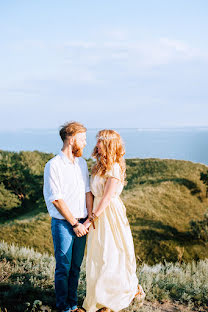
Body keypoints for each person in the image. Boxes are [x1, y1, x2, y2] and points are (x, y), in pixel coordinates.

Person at [82, 129, 145, 312]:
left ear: (109, 144)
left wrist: (90, 219)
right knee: (98, 256)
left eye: (101, 141)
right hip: (97, 214)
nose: (97, 144)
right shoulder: (97, 166)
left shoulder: (115, 167)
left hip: (109, 215)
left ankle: (114, 298)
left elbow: (106, 198)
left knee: (112, 255)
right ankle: (100, 298)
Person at [43, 121, 93, 312]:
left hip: (83, 223)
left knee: (76, 268)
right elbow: (57, 200)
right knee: (63, 267)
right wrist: (74, 223)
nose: (85, 143)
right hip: (64, 224)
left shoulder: (81, 163)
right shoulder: (53, 165)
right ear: (72, 139)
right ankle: (63, 307)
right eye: (83, 139)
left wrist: (88, 219)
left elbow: (88, 191)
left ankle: (72, 304)